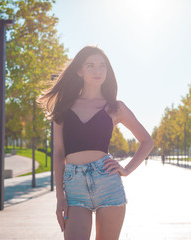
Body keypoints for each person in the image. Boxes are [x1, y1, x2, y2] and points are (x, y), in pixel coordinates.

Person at [37, 46, 154, 240]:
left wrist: (126, 169)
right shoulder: (64, 107)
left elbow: (147, 141)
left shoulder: (116, 107)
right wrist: (60, 197)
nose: (97, 71)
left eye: (102, 66)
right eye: (90, 65)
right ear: (79, 71)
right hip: (74, 185)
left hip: (107, 182)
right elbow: (58, 153)